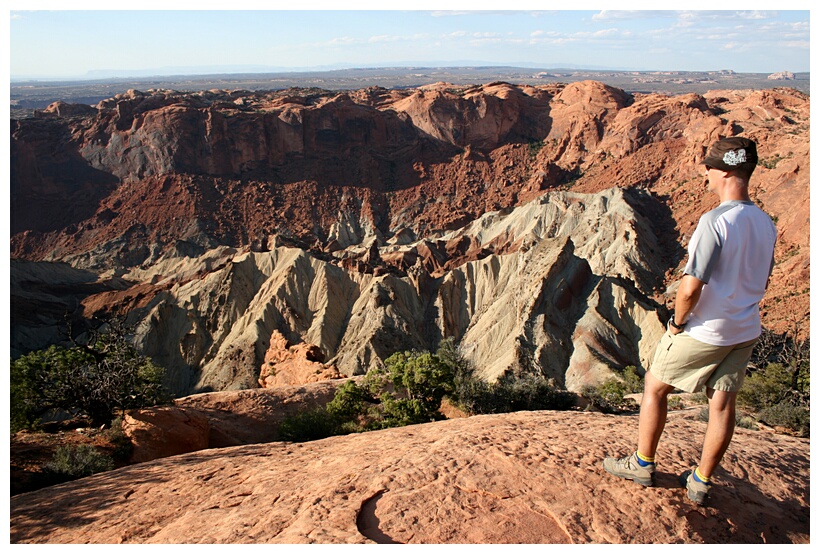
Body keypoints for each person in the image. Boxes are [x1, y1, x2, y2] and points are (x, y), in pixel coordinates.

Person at [602, 136, 777, 505]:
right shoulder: (765, 223)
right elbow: (762, 280)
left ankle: (642, 463)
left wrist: (678, 324)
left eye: (710, 170)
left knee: (654, 386)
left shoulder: (715, 221)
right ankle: (700, 481)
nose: (706, 178)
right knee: (723, 405)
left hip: (707, 328)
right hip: (745, 329)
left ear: (726, 172)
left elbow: (688, 288)